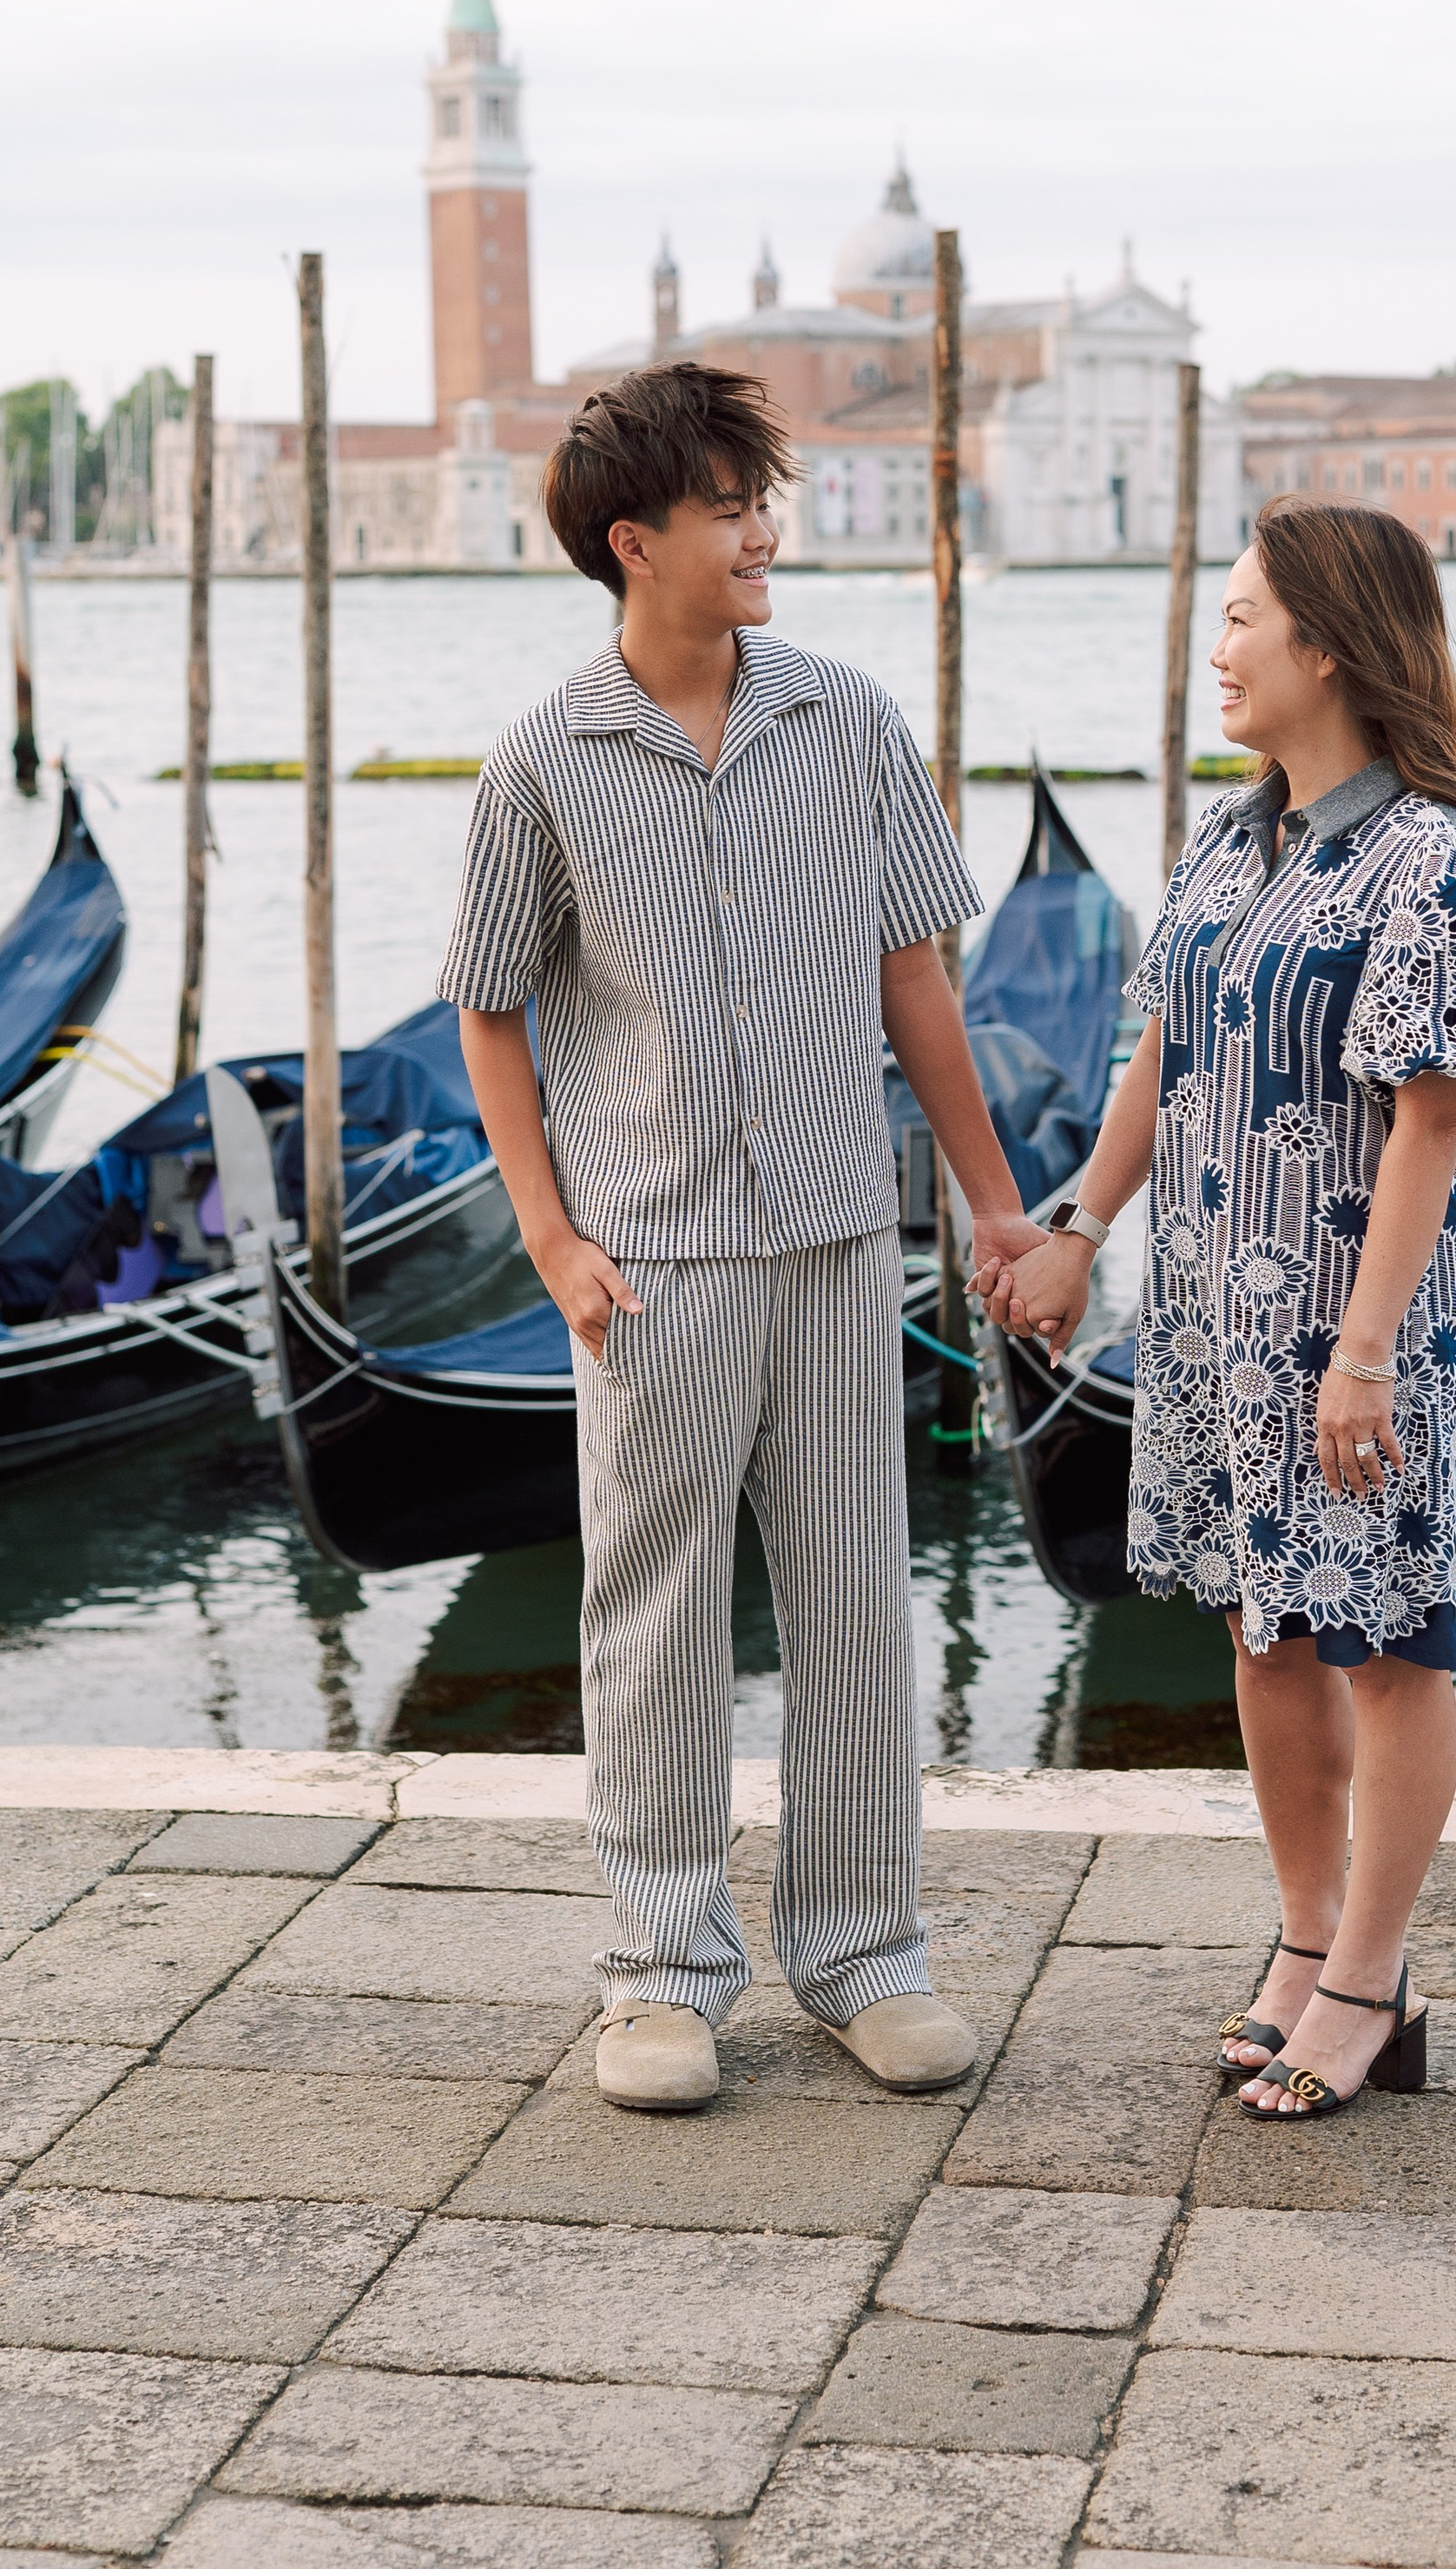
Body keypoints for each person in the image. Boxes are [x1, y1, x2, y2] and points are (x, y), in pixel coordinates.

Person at [439, 364, 1045, 2112]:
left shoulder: (846, 720)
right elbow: (489, 1005)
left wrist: (993, 1202)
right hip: (649, 1260)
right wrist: (548, 1238)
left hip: (838, 1233)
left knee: (853, 1599)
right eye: (728, 508)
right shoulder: (542, 759)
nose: (762, 532)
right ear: (635, 542)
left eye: (760, 502)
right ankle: (659, 1972)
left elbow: (914, 973)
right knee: (654, 1614)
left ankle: (865, 1955)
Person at [994, 499, 1456, 2119]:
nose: (1215, 649)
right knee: (1264, 1626)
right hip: (1214, 1322)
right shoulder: (1230, 841)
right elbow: (1160, 1059)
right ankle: (1305, 1939)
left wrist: (1363, 1356)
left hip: (1364, 1329)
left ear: (1333, 645)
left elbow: (1429, 1122)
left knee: (1391, 1645)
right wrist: (1081, 1227)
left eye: (1241, 618)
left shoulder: (1435, 857)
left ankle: (1370, 1980)